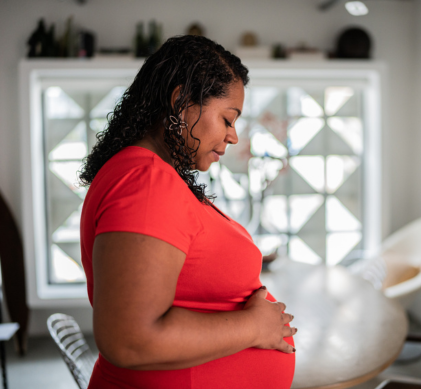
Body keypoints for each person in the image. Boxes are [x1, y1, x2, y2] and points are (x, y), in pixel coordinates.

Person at [78, 35, 296, 389]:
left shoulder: (148, 175)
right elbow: (130, 339)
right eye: (227, 119)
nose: (234, 136)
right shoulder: (147, 181)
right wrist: (256, 327)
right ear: (181, 102)